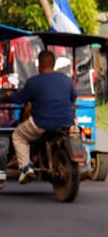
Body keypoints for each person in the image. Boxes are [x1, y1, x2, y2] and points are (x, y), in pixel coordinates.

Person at [6, 50, 77, 184]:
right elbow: (73, 97)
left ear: (39, 65)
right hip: (66, 123)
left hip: (41, 124)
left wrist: (9, 96)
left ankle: (26, 168)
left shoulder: (33, 82)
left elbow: (20, 99)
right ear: (54, 64)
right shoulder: (66, 80)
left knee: (18, 135)